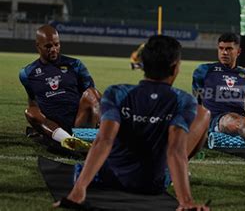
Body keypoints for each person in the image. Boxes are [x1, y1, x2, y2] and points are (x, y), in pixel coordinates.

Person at [54, 35, 210, 210]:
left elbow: (104, 141)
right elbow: (176, 149)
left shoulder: (116, 93)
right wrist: (186, 202)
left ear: (142, 64)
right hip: (151, 185)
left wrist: (78, 190)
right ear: (175, 68)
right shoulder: (184, 100)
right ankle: (175, 172)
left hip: (106, 178)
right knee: (204, 113)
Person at [19, 25, 100, 150]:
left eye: (57, 45)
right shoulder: (27, 73)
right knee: (30, 111)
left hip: (78, 122)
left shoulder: (75, 65)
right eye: (48, 46)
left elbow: (92, 97)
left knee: (92, 93)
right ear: (38, 46)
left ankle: (85, 137)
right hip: (54, 125)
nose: (54, 49)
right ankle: (68, 141)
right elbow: (32, 99)